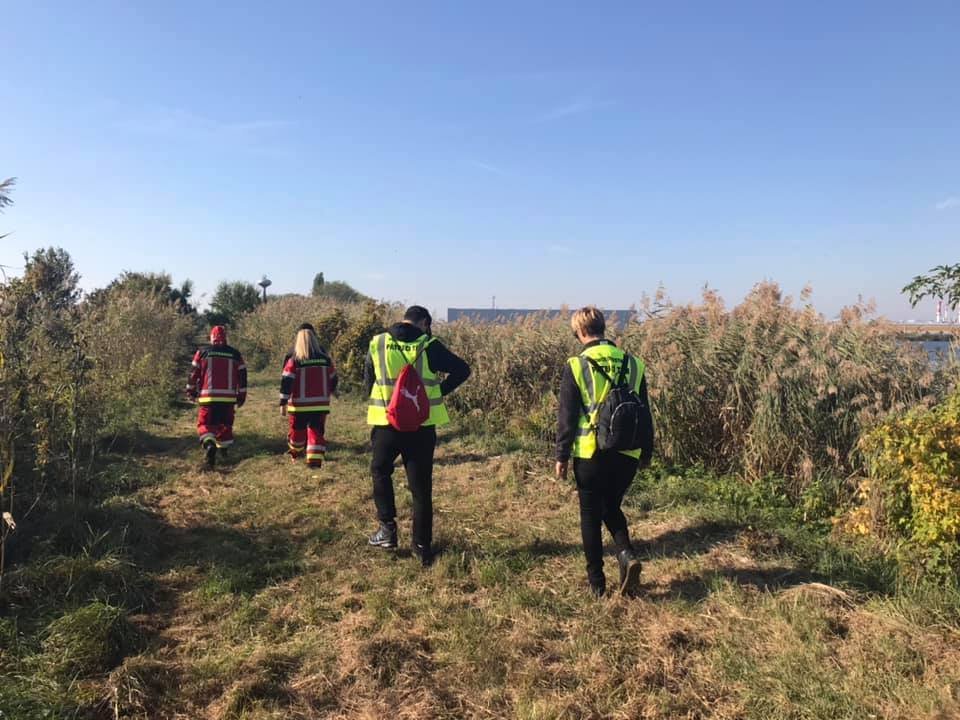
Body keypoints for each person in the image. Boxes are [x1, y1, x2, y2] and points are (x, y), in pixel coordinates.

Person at [555, 307, 654, 597]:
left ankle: (597, 585)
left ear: (580, 332)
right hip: (628, 453)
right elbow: (646, 412)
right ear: (603, 328)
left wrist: (561, 456)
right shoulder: (635, 364)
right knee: (610, 506)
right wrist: (647, 451)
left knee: (590, 514)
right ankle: (626, 554)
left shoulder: (576, 365)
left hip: (590, 453)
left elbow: (567, 417)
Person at [363, 305, 470, 566]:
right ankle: (422, 547)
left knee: (380, 471)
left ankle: (387, 530)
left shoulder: (378, 343)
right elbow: (462, 370)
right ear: (423, 323)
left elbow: (368, 381)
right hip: (422, 425)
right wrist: (438, 392)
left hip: (386, 422)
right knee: (421, 487)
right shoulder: (430, 345)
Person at [186, 325, 247, 468]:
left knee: (206, 425)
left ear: (211, 337)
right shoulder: (235, 354)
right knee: (225, 425)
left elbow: (193, 373)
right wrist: (241, 395)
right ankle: (224, 451)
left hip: (208, 398)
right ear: (226, 337)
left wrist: (190, 390)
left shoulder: (202, 352)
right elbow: (242, 376)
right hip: (228, 399)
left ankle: (209, 445)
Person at [280, 323, 337, 468]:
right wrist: (330, 391)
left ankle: (296, 453)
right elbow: (333, 378)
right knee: (316, 432)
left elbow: (287, 380)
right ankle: (314, 461)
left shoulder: (294, 360)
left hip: (299, 405)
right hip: (320, 404)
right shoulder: (325, 359)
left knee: (297, 434)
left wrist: (283, 401)